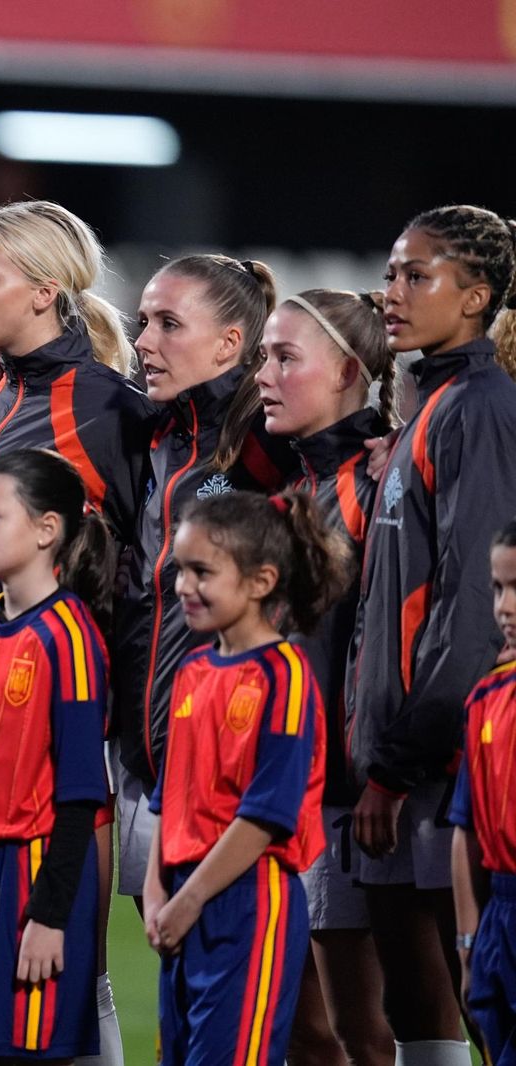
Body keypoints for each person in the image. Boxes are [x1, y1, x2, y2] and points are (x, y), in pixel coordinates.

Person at [0, 201, 147, 1064]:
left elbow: (148, 560)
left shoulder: (102, 405)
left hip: (58, 736)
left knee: (60, 986)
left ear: (47, 290)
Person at [348, 206, 516, 1066]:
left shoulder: (478, 409)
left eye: (419, 276)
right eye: (391, 272)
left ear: (476, 296)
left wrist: (393, 765)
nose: (393, 293)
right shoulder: (435, 401)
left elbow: (474, 603)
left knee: (452, 1016)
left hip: (435, 770)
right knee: (415, 1022)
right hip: (408, 760)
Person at [115, 254, 295, 911]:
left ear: (230, 343)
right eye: (142, 322)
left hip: (233, 766)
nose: (143, 342)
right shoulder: (148, 433)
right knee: (181, 992)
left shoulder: (269, 443)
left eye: (168, 323)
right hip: (147, 760)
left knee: (272, 999)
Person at [143, 490, 348, 1066]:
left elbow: (266, 813)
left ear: (260, 581)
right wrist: (159, 893)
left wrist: (187, 901)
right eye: (180, 569)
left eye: (202, 572)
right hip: (183, 895)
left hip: (247, 900)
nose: (184, 586)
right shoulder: (191, 671)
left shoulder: (284, 675)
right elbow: (170, 799)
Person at [256, 290, 398, 1066]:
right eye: (262, 358)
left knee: (364, 1033)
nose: (265, 376)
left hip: (353, 795)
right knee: (310, 1033)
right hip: (298, 795)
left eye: (284, 359)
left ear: (347, 371)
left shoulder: (381, 482)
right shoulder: (297, 488)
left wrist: (380, 773)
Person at [0, 448, 114, 1064]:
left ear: (48, 530)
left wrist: (49, 914)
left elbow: (80, 796)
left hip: (31, 876)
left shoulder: (68, 637)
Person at [448, 521, 516, 1066]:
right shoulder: (487, 698)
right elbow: (465, 829)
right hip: (499, 916)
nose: (505, 607)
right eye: (497, 588)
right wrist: (469, 943)